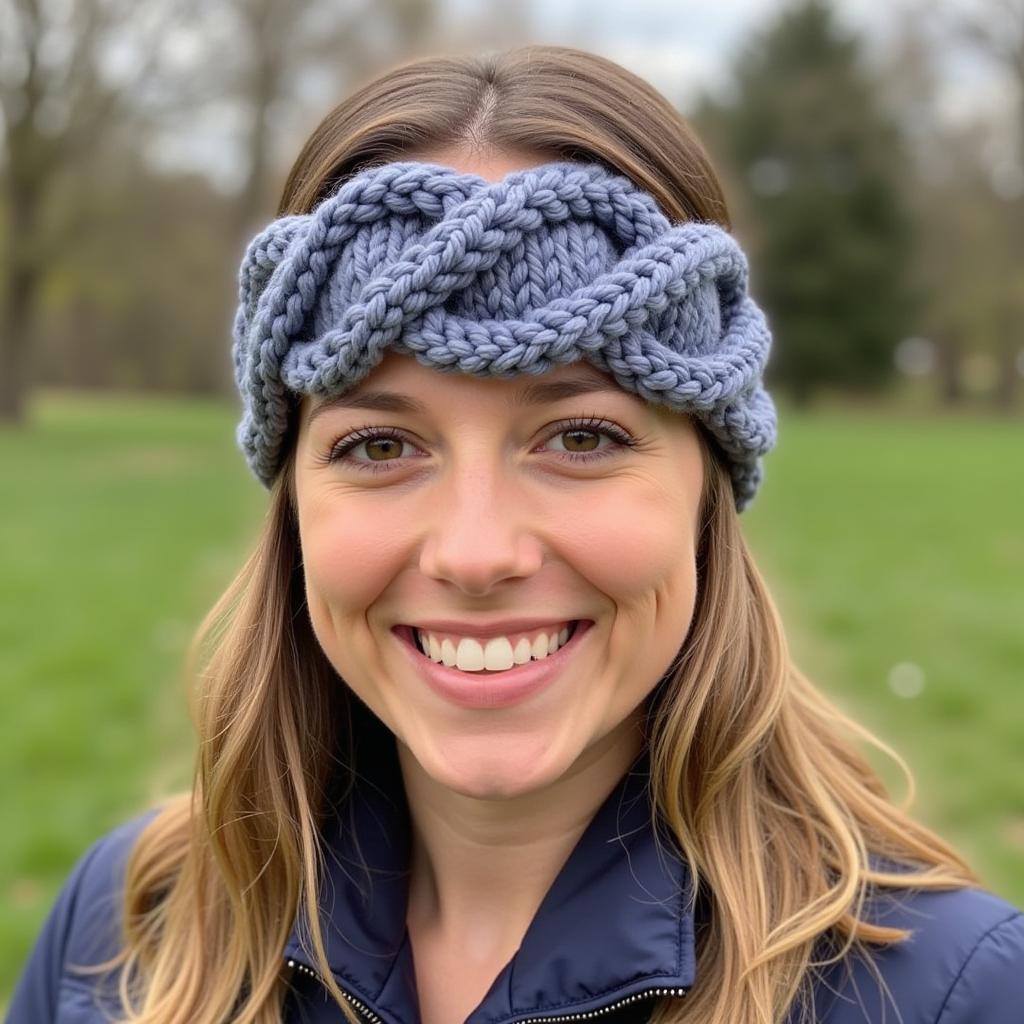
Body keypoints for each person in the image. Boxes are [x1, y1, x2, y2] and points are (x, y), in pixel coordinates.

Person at [6, 44, 1023, 1024]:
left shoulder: (952, 995)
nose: (476, 552)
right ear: (294, 501)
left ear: (702, 489)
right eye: (377, 446)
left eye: (580, 436)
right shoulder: (126, 931)